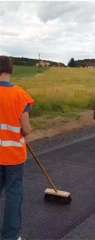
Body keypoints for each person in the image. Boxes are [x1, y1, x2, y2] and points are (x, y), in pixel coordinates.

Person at [0, 56, 34, 240]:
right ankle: (10, 237)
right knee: (13, 196)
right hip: (13, 157)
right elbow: (26, 128)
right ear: (10, 70)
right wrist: (27, 131)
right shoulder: (20, 95)